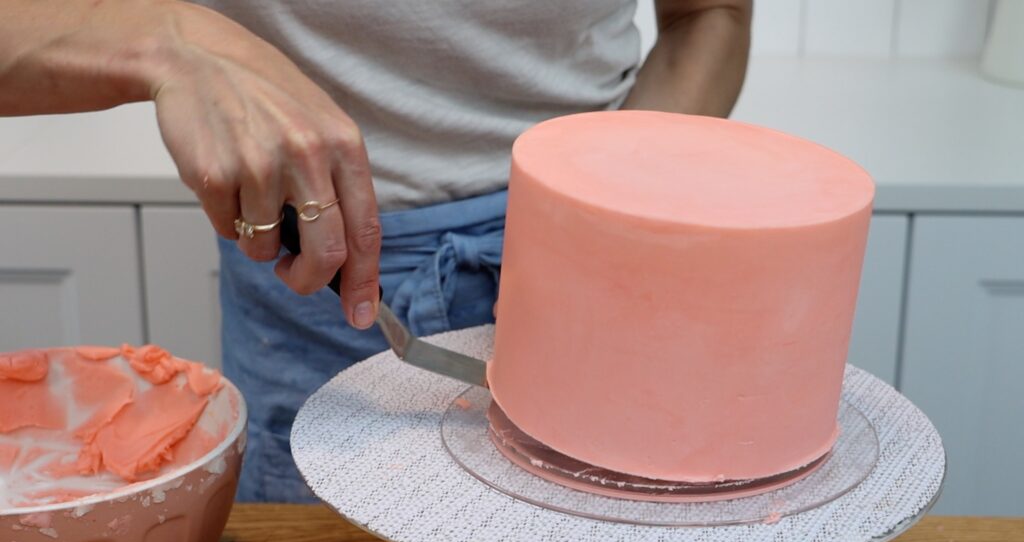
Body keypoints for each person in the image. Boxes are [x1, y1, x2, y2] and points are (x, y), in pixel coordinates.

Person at [0, 0, 752, 502]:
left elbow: (709, 13)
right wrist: (171, 40)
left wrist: (606, 227)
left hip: (604, 254)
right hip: (318, 276)